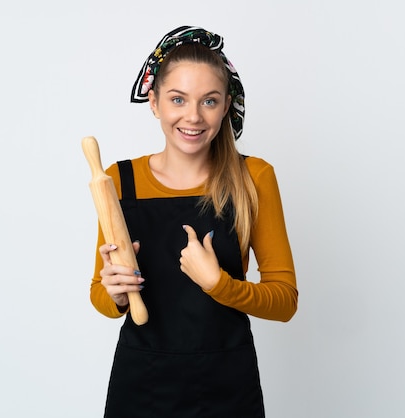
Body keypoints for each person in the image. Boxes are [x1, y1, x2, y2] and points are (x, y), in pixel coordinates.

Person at [90, 25, 298, 418]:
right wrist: (115, 293)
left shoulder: (254, 178)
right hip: (142, 385)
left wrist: (219, 285)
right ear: (154, 102)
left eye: (209, 101)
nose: (193, 116)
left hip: (226, 386)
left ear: (226, 106)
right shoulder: (120, 181)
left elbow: (285, 301)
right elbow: (99, 295)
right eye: (177, 99)